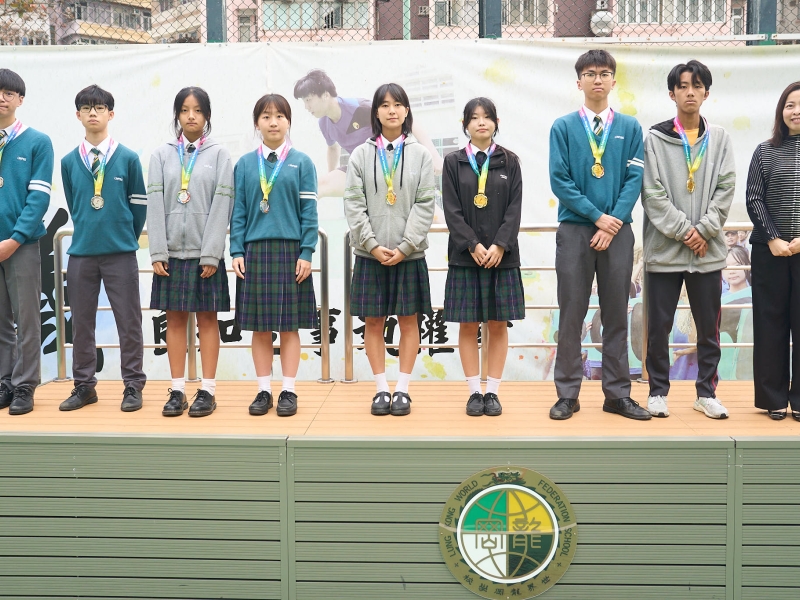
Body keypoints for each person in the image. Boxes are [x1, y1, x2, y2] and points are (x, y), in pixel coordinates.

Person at [548, 49, 649, 421]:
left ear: (613, 81)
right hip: (575, 230)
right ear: (579, 82)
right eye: (590, 73)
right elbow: (560, 180)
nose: (597, 79)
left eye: (604, 73)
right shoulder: (562, 127)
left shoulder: (630, 127)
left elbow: (635, 179)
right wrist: (597, 217)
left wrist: (613, 221)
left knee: (616, 314)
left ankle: (617, 395)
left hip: (618, 233)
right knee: (571, 313)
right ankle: (567, 395)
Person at [641, 59, 736, 420]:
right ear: (672, 93)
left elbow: (726, 188)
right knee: (659, 328)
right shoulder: (655, 139)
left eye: (697, 86)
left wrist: (705, 231)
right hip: (665, 252)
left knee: (708, 329)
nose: (690, 92)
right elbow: (652, 194)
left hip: (706, 253)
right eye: (683, 86)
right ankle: (657, 392)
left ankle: (706, 394)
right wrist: (686, 232)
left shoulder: (720, 138)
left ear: (706, 93)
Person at [344, 83, 436, 416]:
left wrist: (406, 245)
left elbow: (426, 204)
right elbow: (353, 203)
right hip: (370, 255)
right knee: (373, 322)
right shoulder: (360, 155)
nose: (392, 110)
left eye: (398, 104)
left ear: (407, 111)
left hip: (409, 255)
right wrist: (371, 244)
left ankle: (403, 390)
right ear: (376, 113)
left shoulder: (421, 155)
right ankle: (382, 388)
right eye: (384, 105)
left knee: (409, 322)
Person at [59, 84, 147, 412]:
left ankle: (133, 385)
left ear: (111, 114)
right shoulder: (69, 161)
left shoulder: (128, 158)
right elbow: (76, 204)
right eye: (86, 108)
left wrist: (122, 236)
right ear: (78, 115)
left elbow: (138, 205)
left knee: (129, 321)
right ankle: (84, 386)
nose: (93, 113)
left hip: (120, 252)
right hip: (82, 253)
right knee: (81, 323)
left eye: (99, 108)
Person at [147, 87, 234, 418]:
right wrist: (158, 250)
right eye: (184, 110)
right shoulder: (161, 155)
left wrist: (211, 253)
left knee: (208, 320)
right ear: (177, 115)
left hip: (204, 255)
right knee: (174, 320)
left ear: (207, 115)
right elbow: (154, 204)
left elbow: (222, 204)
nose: (191, 116)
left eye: (197, 110)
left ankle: (207, 391)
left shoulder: (220, 155)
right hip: (170, 255)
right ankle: (177, 390)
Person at [231, 94, 319, 417]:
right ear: (257, 123)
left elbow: (309, 213)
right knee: (260, 328)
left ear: (289, 122)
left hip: (290, 252)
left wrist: (307, 251)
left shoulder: (302, 162)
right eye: (266, 116)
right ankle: (264, 390)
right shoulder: (244, 164)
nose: (273, 122)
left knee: (289, 326)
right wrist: (236, 249)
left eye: (280, 116)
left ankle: (289, 391)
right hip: (254, 252)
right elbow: (239, 212)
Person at [442, 97, 523, 417]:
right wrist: (472, 245)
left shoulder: (510, 161)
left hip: (502, 257)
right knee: (468, 325)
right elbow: (451, 210)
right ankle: (474, 391)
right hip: (466, 257)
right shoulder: (453, 162)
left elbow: (515, 208)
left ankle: (493, 392)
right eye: (474, 117)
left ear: (496, 123)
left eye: (487, 117)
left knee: (498, 325)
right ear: (465, 124)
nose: (481, 122)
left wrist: (500, 245)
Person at [293, 69, 443, 198]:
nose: (306, 107)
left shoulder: (360, 108)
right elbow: (332, 148)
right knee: (319, 186)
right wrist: (331, 177)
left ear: (325, 95)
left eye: (308, 100)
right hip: (363, 171)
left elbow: (409, 121)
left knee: (433, 216)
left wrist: (435, 156)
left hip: (393, 168)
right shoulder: (324, 123)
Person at [0, 69, 54, 416]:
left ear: (20, 100)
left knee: (27, 319)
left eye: (9, 93)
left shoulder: (37, 141)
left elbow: (39, 198)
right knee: (0, 321)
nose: (2, 98)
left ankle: (24, 385)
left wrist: (15, 239)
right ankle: (4, 382)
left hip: (20, 246)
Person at [746, 80, 800, 421]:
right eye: (790, 105)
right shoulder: (764, 151)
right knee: (770, 324)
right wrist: (772, 238)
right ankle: (773, 399)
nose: (796, 111)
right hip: (770, 251)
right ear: (781, 112)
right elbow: (754, 197)